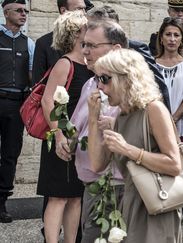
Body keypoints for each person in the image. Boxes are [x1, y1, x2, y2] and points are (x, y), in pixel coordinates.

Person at [88, 48, 182, 243]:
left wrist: (127, 149)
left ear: (126, 78)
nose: (100, 86)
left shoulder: (154, 109)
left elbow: (174, 164)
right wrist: (92, 117)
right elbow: (97, 165)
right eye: (97, 79)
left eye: (105, 79)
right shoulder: (122, 115)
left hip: (157, 203)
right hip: (131, 202)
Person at [37, 10, 92, 243]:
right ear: (76, 32)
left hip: (80, 140)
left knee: (76, 198)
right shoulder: (65, 63)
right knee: (58, 197)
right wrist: (58, 136)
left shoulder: (91, 64)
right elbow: (47, 100)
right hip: (60, 139)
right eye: (86, 27)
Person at [70, 19, 127, 242]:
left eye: (92, 46)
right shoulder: (90, 84)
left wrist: (115, 126)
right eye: (84, 44)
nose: (85, 51)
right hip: (92, 184)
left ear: (116, 49)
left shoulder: (132, 88)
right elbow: (77, 126)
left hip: (117, 186)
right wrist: (67, 141)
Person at [154, 17, 183, 227]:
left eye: (176, 35)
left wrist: (173, 118)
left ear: (182, 40)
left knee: (181, 166)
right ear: (161, 38)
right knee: (159, 165)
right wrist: (161, 120)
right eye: (168, 34)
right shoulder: (151, 64)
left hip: (180, 123)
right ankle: (161, 206)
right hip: (155, 122)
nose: (172, 39)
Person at [85, 5, 171, 110]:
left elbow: (158, 85)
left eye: (95, 25)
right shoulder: (89, 81)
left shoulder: (136, 49)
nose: (90, 29)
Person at [0, 0, 34, 223]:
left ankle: (1, 202)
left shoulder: (28, 43)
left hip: (16, 104)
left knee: (11, 154)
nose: (24, 14)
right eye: (19, 11)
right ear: (6, 13)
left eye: (26, 11)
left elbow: (33, 75)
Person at [32, 0, 87, 84]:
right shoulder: (44, 43)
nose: (84, 13)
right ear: (63, 11)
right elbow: (38, 82)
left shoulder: (88, 41)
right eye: (79, 9)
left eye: (84, 9)